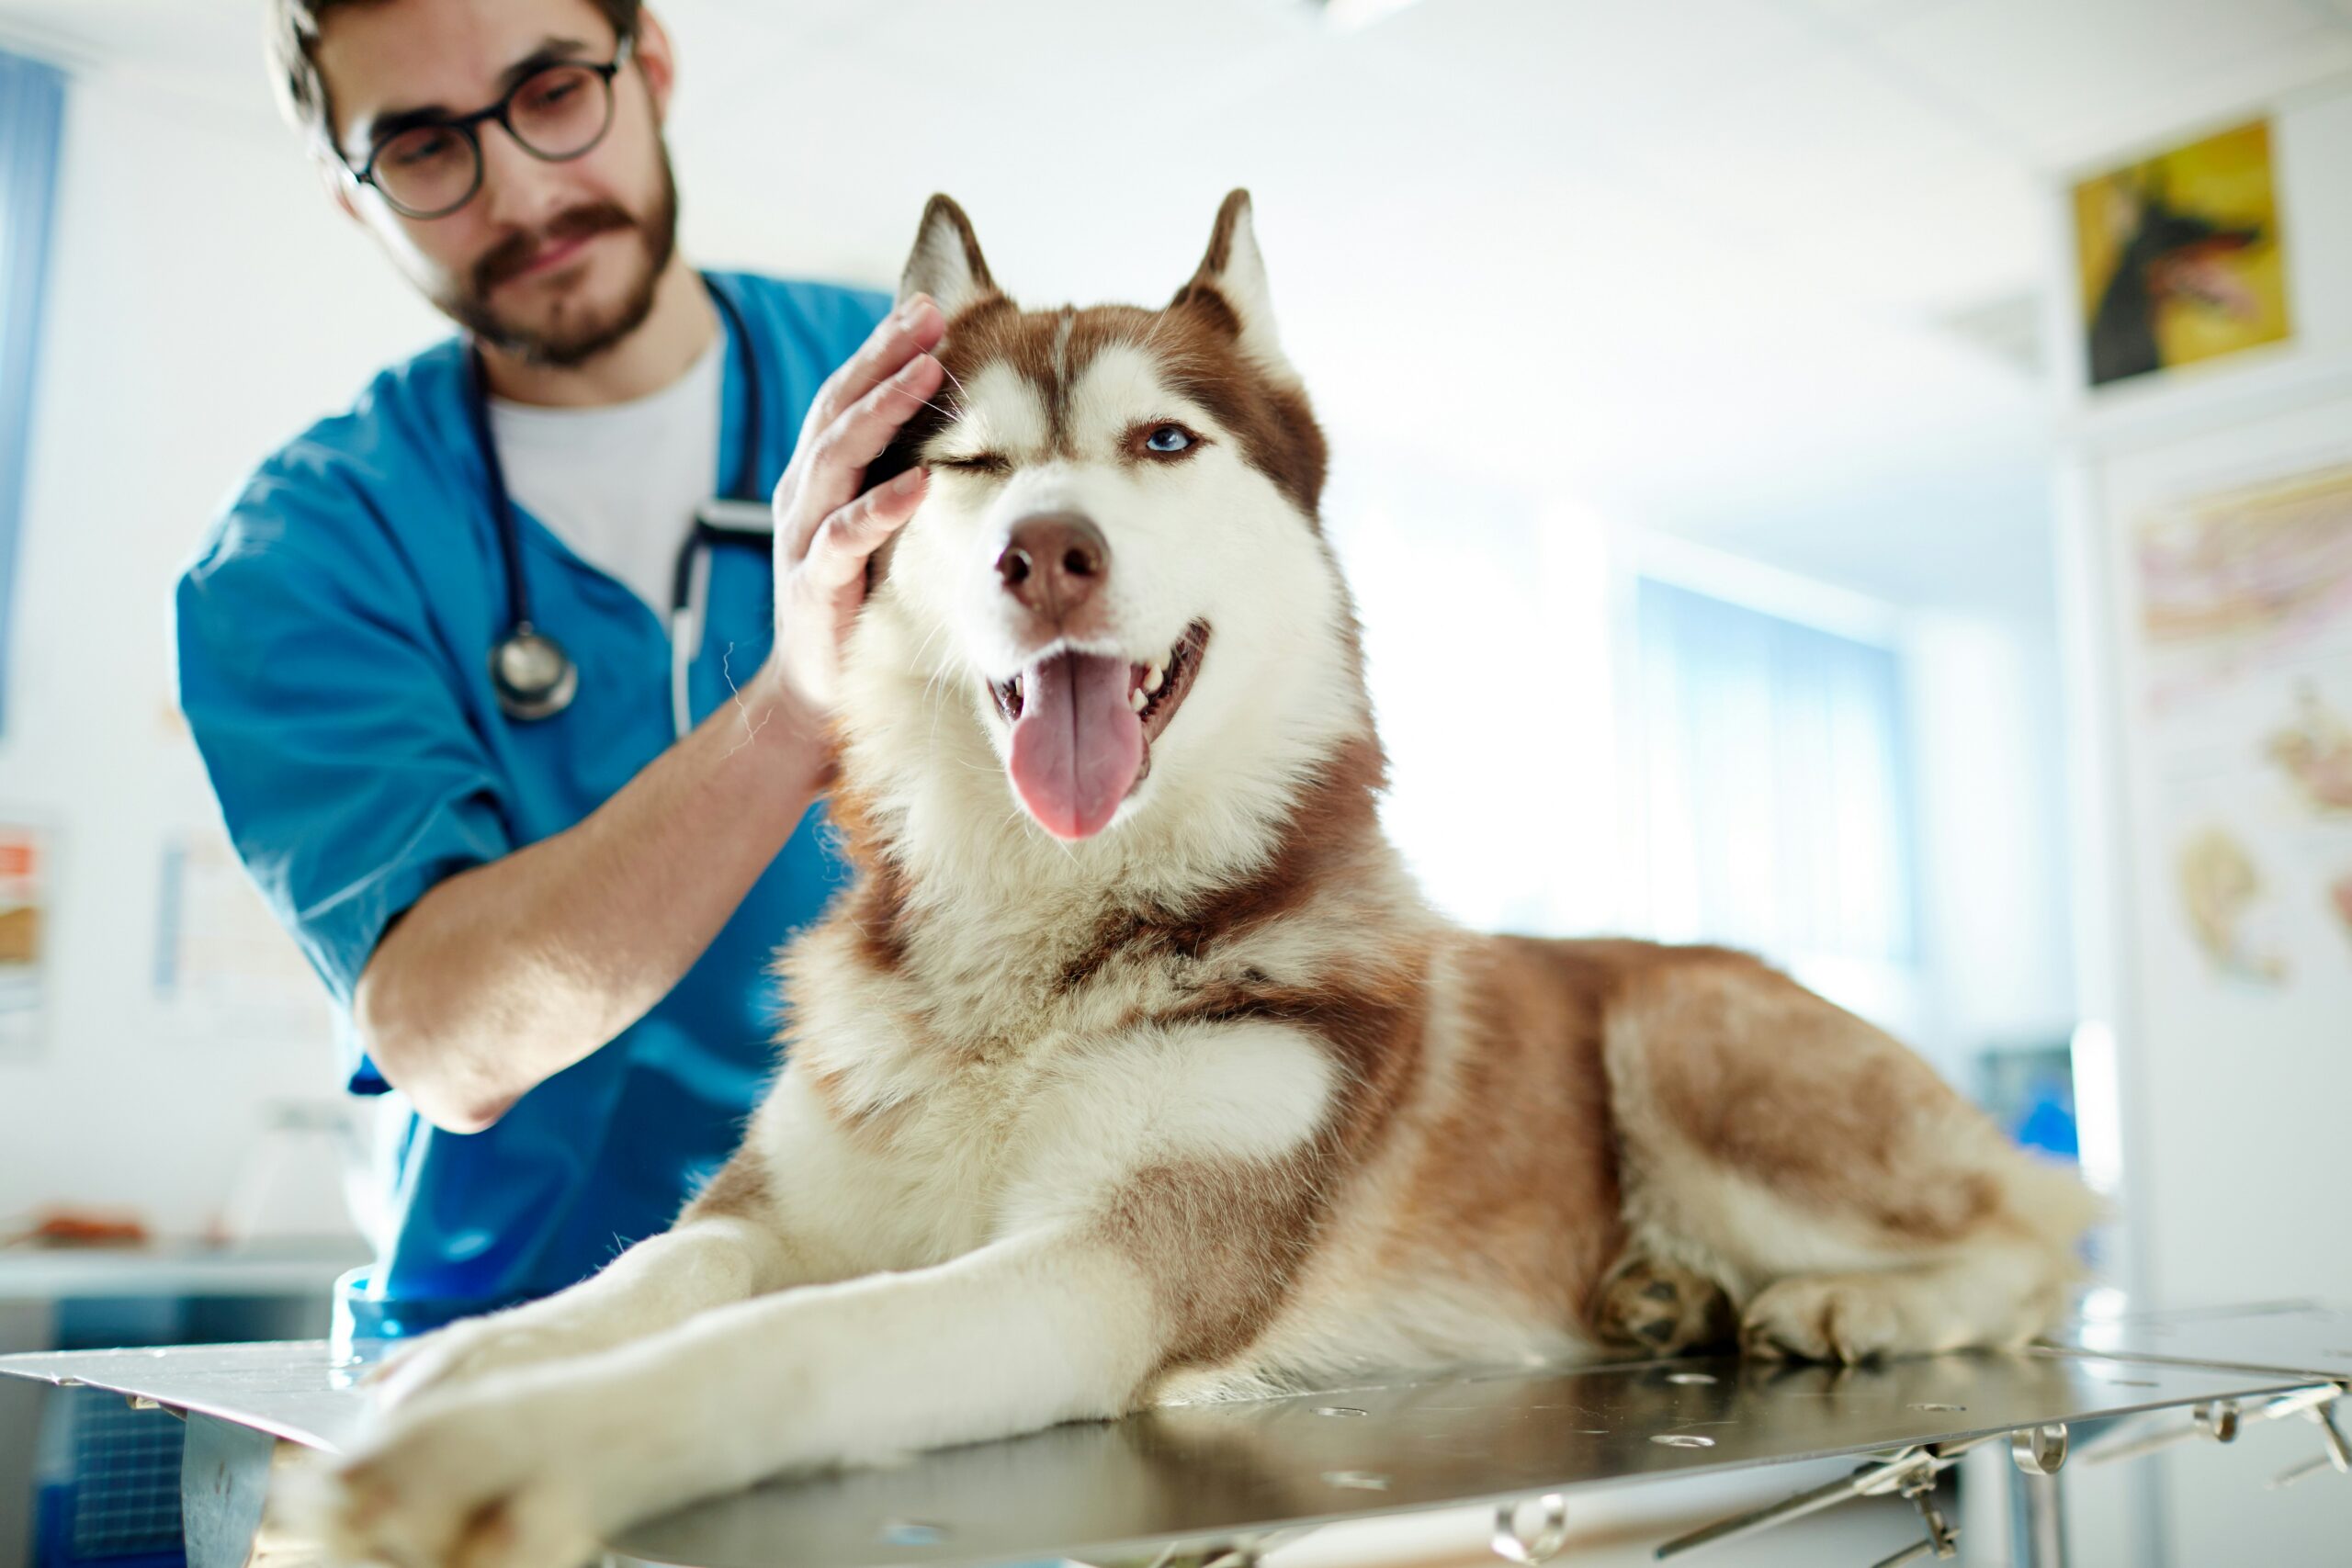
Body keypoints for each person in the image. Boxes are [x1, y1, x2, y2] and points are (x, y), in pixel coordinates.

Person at [174, 0, 946, 1340]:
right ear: (351, 196)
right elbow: (447, 1040)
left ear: (649, 65)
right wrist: (792, 706)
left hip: (917, 1304)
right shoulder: (307, 550)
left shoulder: (915, 392)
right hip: (519, 1345)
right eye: (421, 146)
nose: (521, 192)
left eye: (550, 92)